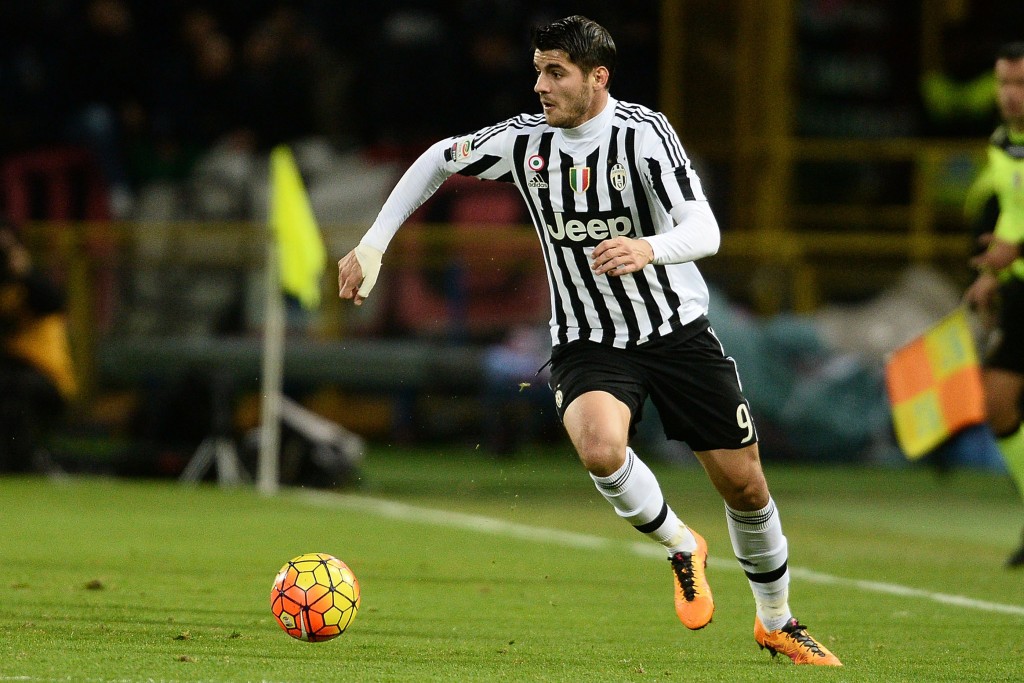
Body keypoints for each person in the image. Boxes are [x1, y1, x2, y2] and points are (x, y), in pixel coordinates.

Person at [337, 15, 841, 665]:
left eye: (556, 72)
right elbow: (438, 159)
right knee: (601, 448)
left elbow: (705, 230)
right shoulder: (525, 142)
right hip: (588, 339)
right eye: (538, 71)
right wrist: (373, 245)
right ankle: (681, 544)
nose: (540, 86)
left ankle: (777, 620)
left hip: (675, 331)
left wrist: (647, 248)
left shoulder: (644, 135)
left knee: (745, 487)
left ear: (597, 78)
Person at [963, 41, 1024, 568]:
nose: (1011, 95)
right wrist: (991, 273)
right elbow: (1013, 209)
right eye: (1005, 83)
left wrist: (1015, 250)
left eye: (1021, 84)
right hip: (1022, 287)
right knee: (999, 399)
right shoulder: (1004, 143)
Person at [0, 222, 77, 472]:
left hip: (46, 376)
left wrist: (24, 271)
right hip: (11, 372)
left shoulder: (33, 281)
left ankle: (24, 464)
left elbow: (54, 303)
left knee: (14, 388)